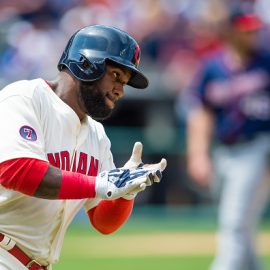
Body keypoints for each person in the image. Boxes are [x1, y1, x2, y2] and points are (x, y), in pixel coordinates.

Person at [0, 25, 167, 270]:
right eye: (116, 76)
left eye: (125, 82)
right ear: (86, 63)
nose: (120, 90)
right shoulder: (25, 97)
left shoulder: (97, 135)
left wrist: (126, 191)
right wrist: (102, 184)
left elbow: (103, 221)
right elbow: (17, 170)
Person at [184, 10, 270, 270]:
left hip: (258, 148)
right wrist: (198, 155)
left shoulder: (266, 63)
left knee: (234, 223)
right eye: (247, 30)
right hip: (223, 152)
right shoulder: (212, 66)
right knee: (242, 227)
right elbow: (200, 113)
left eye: (255, 30)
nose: (253, 35)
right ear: (231, 32)